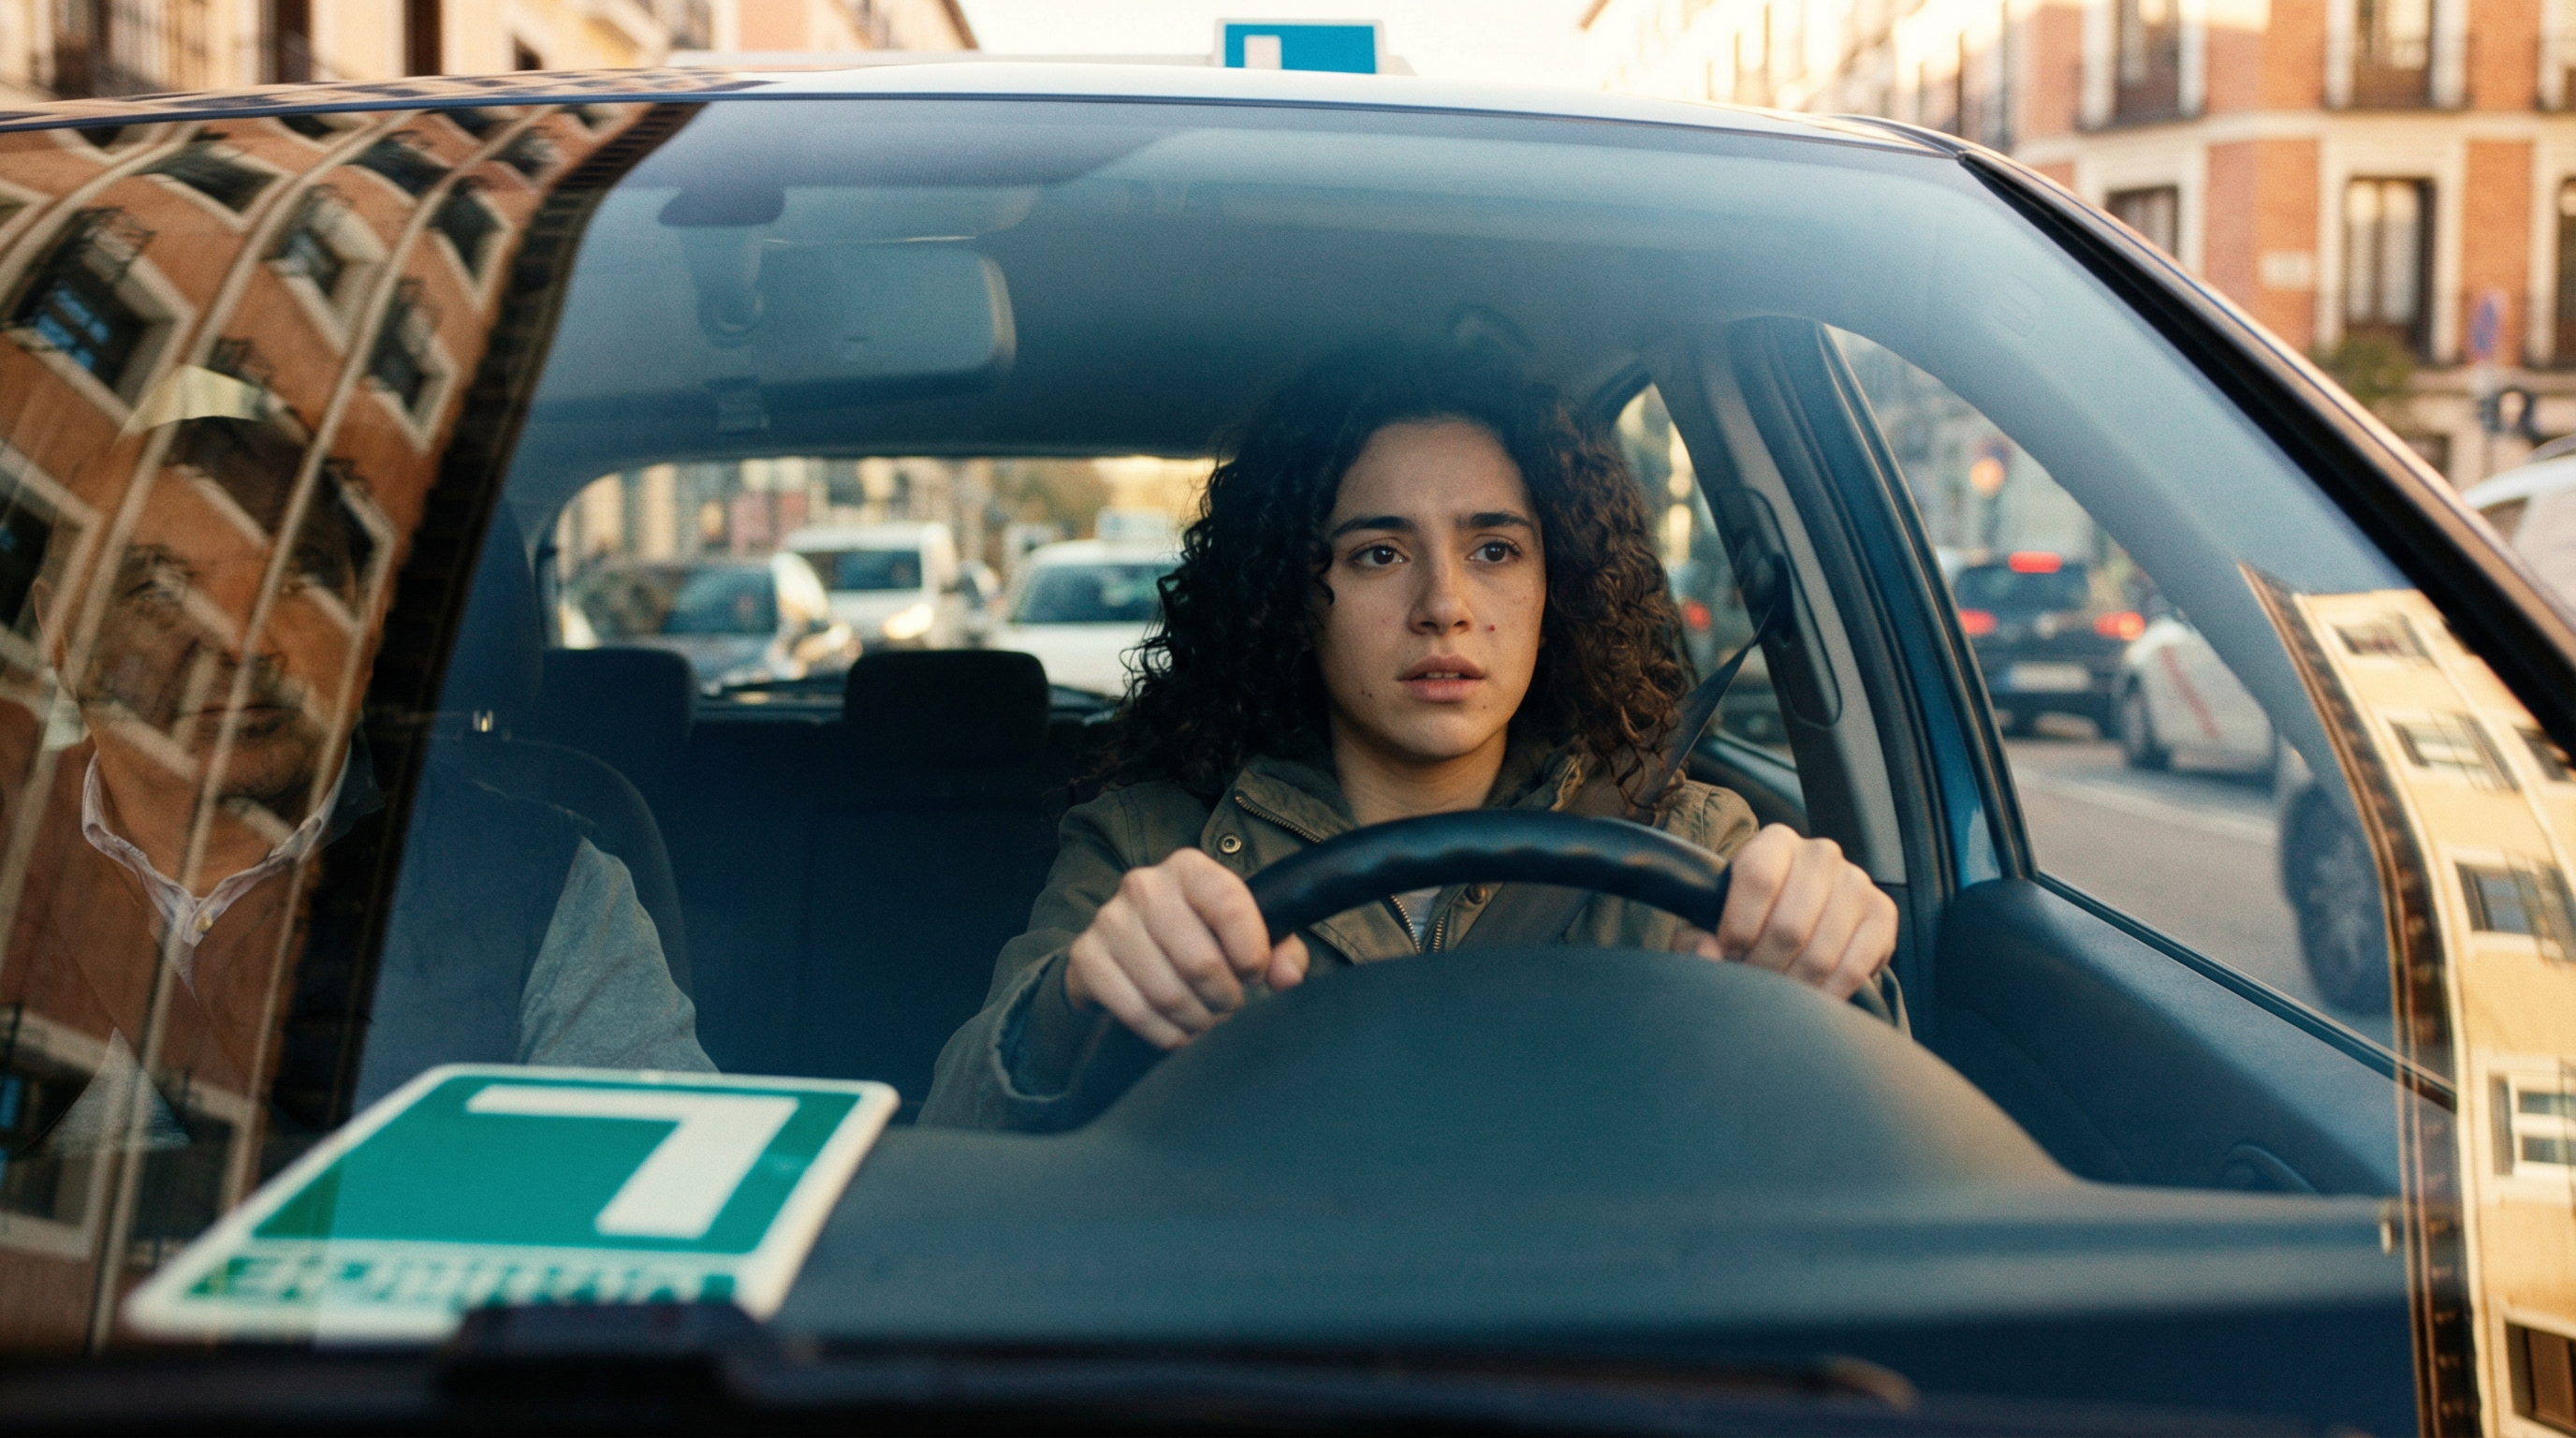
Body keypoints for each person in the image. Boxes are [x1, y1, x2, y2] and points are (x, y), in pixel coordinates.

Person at [922, 345, 1900, 1133]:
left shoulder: (1692, 846)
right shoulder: (1149, 845)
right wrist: (1073, 1005)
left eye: (1495, 549)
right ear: (1290, 595)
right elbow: (960, 1127)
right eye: (1379, 553)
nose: (1445, 605)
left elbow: (1882, 1144)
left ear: (1555, 583)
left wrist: (1826, 967)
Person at [0, 412, 709, 1338]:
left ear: (369, 620)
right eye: (158, 590)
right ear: (60, 632)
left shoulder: (538, 886)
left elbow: (649, 1246)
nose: (240, 638)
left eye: (294, 579)